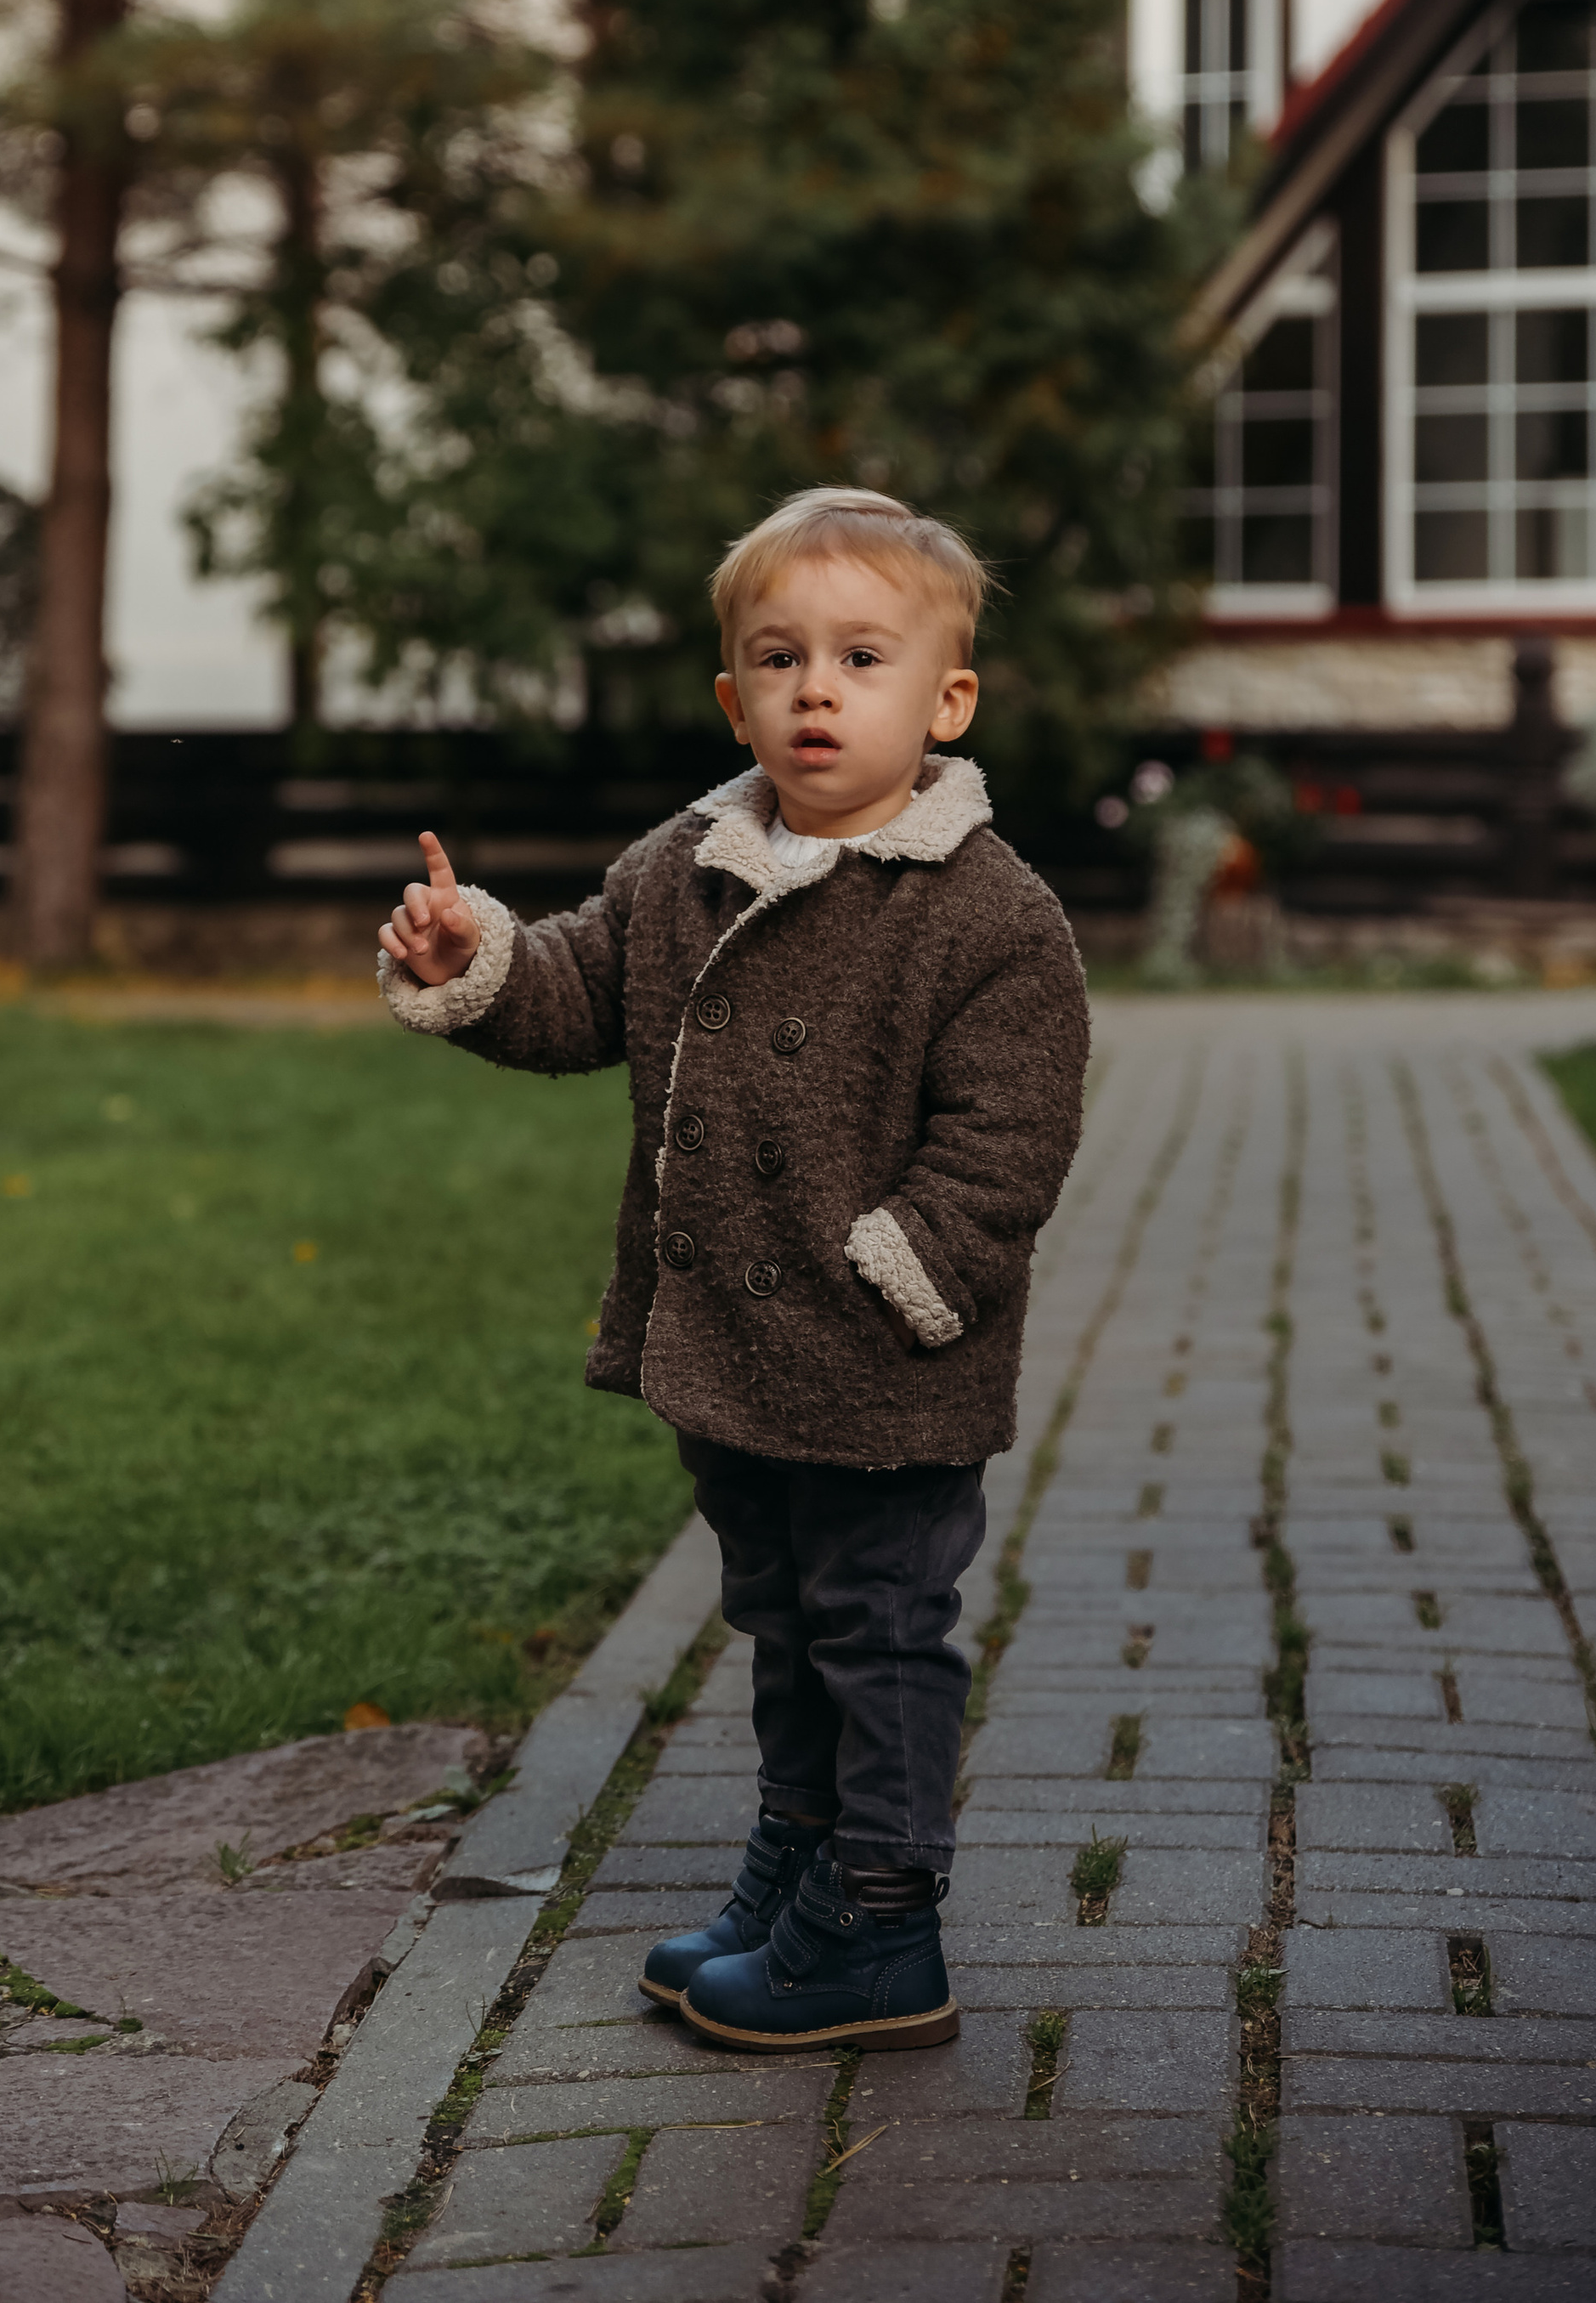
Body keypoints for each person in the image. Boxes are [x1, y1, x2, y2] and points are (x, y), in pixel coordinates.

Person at [375, 484, 1089, 2053]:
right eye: (780, 658)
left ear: (945, 697)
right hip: (738, 1350)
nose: (816, 688)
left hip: (883, 1352)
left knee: (878, 1623)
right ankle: (799, 1854)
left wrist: (901, 1263)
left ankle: (886, 1922)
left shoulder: (989, 915)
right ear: (734, 696)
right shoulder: (691, 855)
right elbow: (577, 987)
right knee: (782, 1611)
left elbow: (1008, 1138)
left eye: (860, 656)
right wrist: (475, 954)